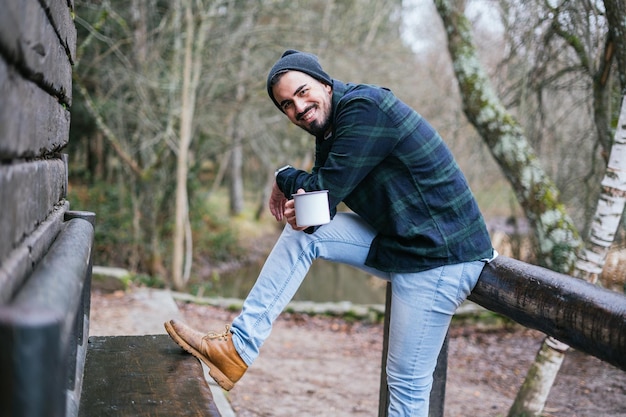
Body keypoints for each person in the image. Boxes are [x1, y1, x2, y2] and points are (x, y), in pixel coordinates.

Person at [165, 49, 496, 416]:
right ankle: (238, 348)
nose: (299, 107)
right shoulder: (329, 129)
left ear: (324, 83)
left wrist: (284, 177)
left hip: (441, 256)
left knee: (405, 385)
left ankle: (238, 348)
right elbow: (315, 216)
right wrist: (302, 193)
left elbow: (321, 196)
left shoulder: (364, 109)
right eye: (287, 105)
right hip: (406, 243)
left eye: (303, 92)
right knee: (302, 236)